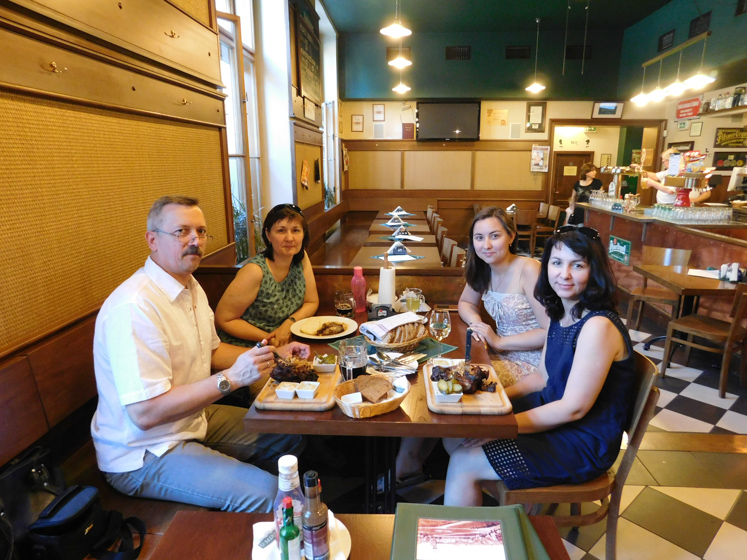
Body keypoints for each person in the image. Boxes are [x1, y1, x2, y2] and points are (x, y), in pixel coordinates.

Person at [91, 195, 308, 513]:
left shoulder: (190, 287)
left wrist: (275, 355)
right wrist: (230, 379)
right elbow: (145, 413)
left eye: (201, 231)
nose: (194, 240)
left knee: (290, 436)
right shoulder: (134, 307)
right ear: (152, 240)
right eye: (181, 231)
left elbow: (213, 351)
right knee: (274, 496)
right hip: (144, 452)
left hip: (191, 419)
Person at [443, 225, 636, 507]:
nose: (564, 274)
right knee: (457, 434)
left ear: (594, 270)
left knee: (464, 460)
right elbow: (541, 378)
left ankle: (484, 526)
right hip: (552, 415)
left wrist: (503, 427)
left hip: (581, 439)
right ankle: (498, 510)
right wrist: (492, 399)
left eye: (577, 265)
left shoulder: (598, 325)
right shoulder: (562, 312)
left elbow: (574, 408)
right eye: (556, 263)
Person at [384, 207, 548, 491]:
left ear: (511, 236)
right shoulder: (483, 268)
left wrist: (498, 341)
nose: (486, 245)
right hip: (497, 353)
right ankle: (411, 462)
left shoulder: (529, 269)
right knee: (431, 374)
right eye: (479, 238)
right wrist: (477, 323)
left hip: (531, 364)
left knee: (450, 387)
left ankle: (466, 473)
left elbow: (550, 332)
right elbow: (465, 303)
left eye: (495, 236)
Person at [216, 203, 319, 348]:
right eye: (281, 231)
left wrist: (289, 324)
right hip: (248, 347)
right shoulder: (255, 271)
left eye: (296, 230)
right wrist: (269, 338)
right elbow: (223, 319)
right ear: (268, 234)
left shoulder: (301, 258)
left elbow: (311, 302)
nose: (290, 238)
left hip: (284, 341)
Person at [637, 149, 712, 204]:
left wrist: (651, 183)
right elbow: (655, 176)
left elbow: (670, 190)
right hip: (665, 205)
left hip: (673, 205)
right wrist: (640, 170)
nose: (664, 164)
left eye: (663, 161)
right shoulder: (670, 170)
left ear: (669, 160)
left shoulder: (681, 171)